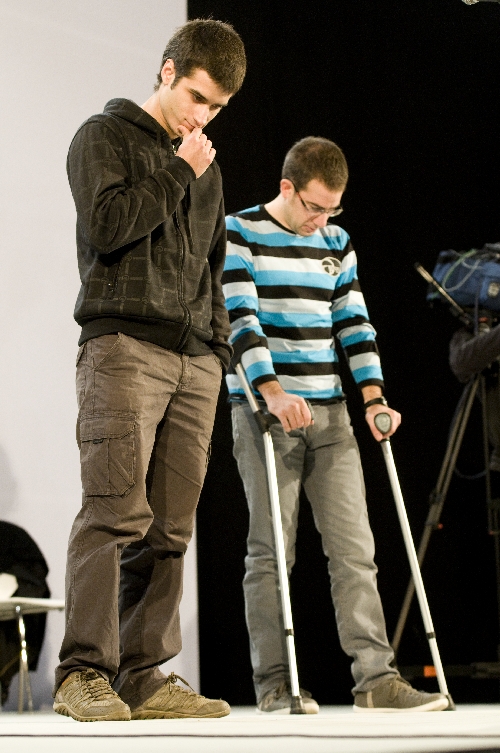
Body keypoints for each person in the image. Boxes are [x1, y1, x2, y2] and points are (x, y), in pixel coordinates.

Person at [53, 19, 246, 722]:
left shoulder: (206, 166)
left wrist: (216, 351)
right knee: (113, 512)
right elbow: (108, 227)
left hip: (194, 361)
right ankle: (83, 671)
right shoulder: (102, 137)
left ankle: (142, 673)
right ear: (167, 71)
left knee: (170, 529)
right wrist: (179, 170)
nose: (203, 117)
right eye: (197, 97)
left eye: (216, 108)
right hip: (124, 346)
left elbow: (212, 269)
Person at [222, 137, 449, 713]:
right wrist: (273, 392)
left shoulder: (336, 242)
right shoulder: (240, 232)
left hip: (330, 414)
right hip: (265, 413)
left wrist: (374, 398)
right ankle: (276, 685)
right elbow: (240, 321)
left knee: (355, 550)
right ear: (287, 187)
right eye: (314, 207)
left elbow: (353, 322)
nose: (321, 220)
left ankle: (375, 680)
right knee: (272, 554)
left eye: (333, 209)